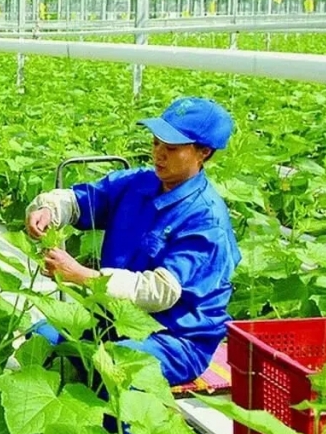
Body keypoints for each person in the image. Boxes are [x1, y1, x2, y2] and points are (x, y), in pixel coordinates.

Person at [25, 96, 241, 387]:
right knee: (41, 338)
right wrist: (48, 210)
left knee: (116, 365)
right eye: (156, 143)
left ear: (203, 152)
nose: (159, 155)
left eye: (171, 148)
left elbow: (160, 291)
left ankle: (110, 414)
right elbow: (81, 201)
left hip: (174, 339)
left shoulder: (206, 219)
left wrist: (82, 276)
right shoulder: (139, 183)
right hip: (114, 320)